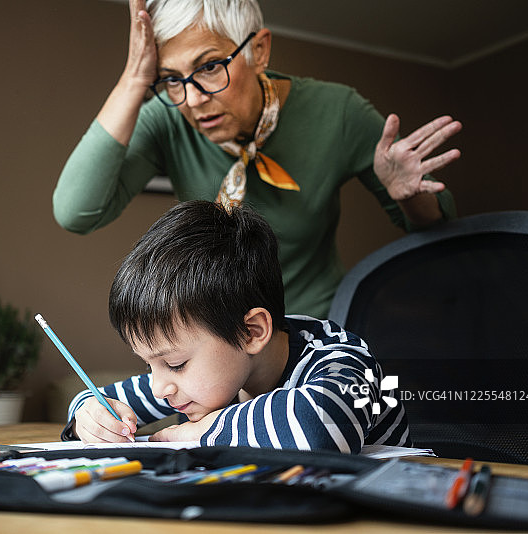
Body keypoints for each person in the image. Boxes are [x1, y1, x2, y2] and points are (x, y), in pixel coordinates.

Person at [53, 0, 461, 318]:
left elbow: (436, 224)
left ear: (259, 50)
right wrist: (135, 78)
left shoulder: (338, 113)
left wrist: (408, 195)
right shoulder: (166, 115)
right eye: (172, 78)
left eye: (210, 67)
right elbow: (76, 212)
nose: (192, 100)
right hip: (214, 343)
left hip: (316, 340)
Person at [63, 200, 411, 452]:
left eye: (174, 364)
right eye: (149, 364)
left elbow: (320, 427)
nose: (158, 389)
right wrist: (89, 415)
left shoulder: (343, 359)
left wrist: (202, 431)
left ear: (252, 332)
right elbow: (98, 398)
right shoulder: (203, 380)